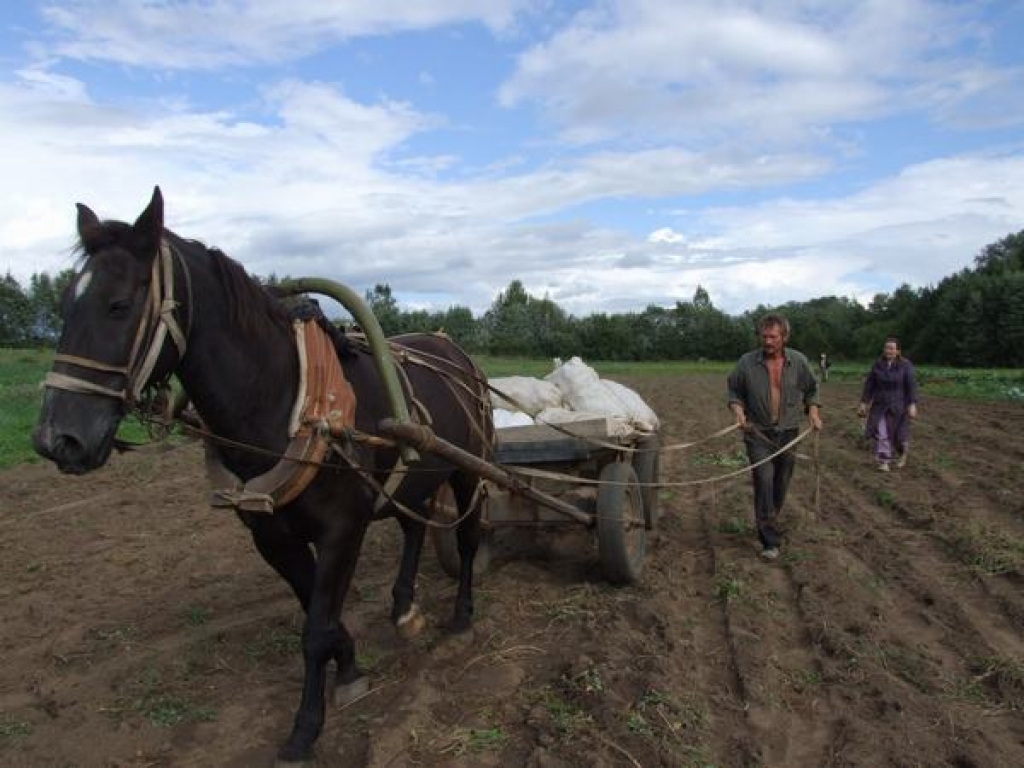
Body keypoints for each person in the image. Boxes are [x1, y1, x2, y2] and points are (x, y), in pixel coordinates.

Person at [728, 314, 823, 560]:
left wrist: (813, 412)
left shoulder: (799, 362)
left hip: (788, 433)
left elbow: (812, 389)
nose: (768, 341)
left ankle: (769, 517)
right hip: (757, 432)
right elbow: (734, 391)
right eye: (764, 336)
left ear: (784, 337)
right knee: (764, 479)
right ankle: (770, 540)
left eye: (773, 336)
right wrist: (738, 412)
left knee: (781, 482)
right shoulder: (747, 363)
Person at [857, 337, 918, 472]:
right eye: (886, 348)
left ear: (898, 351)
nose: (888, 350)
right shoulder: (878, 365)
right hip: (880, 406)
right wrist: (863, 402)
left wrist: (912, 404)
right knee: (882, 433)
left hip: (899, 407)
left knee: (898, 438)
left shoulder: (906, 365)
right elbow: (869, 385)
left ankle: (902, 452)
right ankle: (884, 461)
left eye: (891, 348)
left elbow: (911, 386)